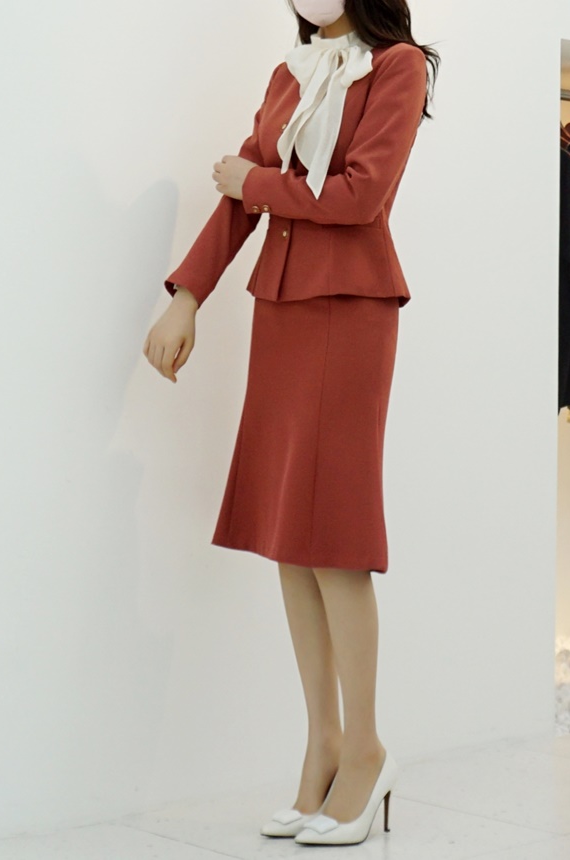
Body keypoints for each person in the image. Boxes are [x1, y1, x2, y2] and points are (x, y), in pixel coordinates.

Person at [143, 0, 438, 846]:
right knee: (291, 537)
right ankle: (324, 746)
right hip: (281, 308)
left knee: (333, 533)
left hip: (351, 307)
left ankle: (369, 750)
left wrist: (254, 182)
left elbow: (360, 195)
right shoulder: (290, 73)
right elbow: (239, 203)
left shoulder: (398, 66)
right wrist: (187, 297)